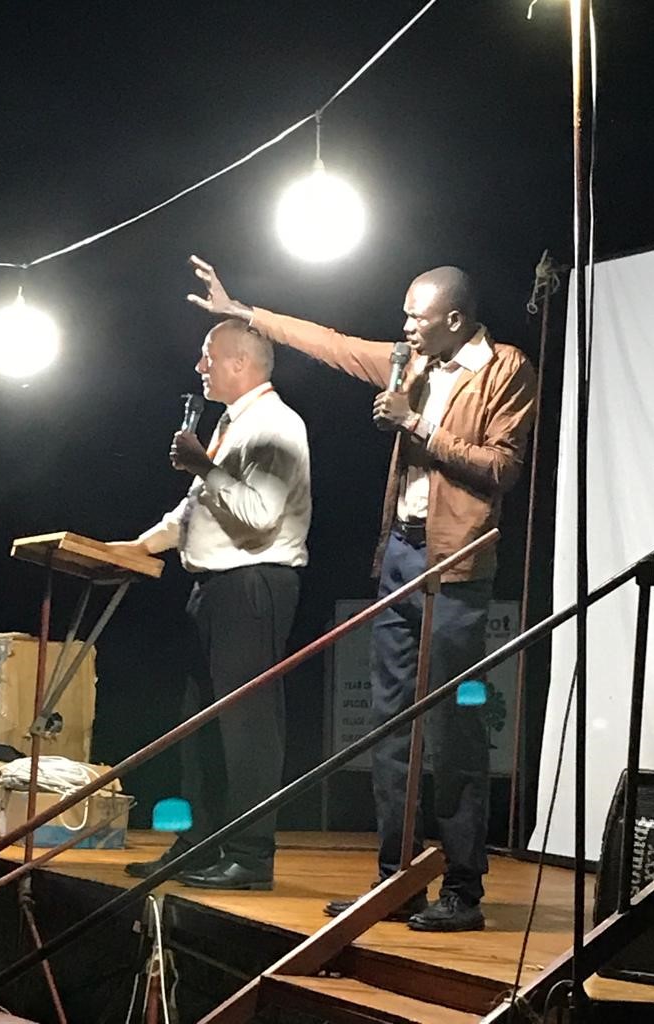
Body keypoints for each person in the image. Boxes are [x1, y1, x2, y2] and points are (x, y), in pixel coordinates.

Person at [186, 256, 536, 930]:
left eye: (417, 317)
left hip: (457, 564)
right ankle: (395, 881)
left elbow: (502, 467)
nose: (405, 327)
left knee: (453, 730)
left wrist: (417, 425)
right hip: (401, 554)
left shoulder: (504, 368)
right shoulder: (414, 363)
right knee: (388, 727)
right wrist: (244, 312)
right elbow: (333, 344)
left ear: (455, 319)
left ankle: (462, 889)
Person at [114, 319, 311, 891]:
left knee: (247, 728)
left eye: (209, 357)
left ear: (240, 362)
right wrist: (133, 548)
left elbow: (258, 514)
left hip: (253, 586)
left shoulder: (276, 425)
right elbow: (194, 509)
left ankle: (250, 855)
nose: (200, 367)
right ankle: (200, 843)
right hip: (215, 588)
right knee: (200, 726)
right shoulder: (233, 423)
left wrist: (204, 464)